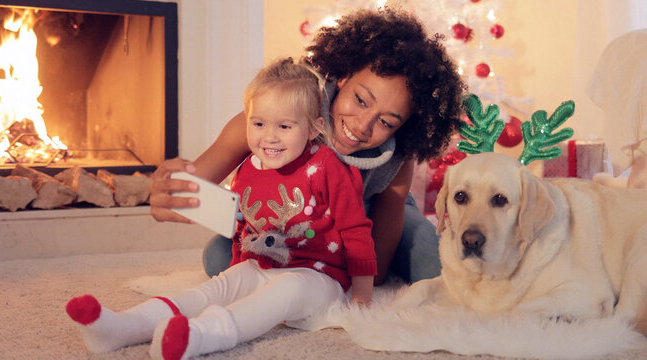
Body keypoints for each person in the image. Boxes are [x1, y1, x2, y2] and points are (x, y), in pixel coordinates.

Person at [65, 58, 377, 358]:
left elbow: (355, 231)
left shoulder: (328, 166)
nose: (269, 136)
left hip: (318, 278)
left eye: (284, 126)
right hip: (265, 265)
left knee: (287, 290)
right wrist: (237, 271)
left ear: (312, 129)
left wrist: (361, 295)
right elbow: (244, 228)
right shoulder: (247, 169)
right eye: (258, 123)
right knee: (218, 287)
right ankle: (123, 327)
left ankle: (203, 335)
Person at [149, 8, 465, 285]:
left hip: (366, 214)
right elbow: (191, 186)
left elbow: (376, 271)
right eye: (360, 99)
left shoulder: (395, 159)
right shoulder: (283, 111)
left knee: (432, 263)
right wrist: (171, 191)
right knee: (219, 259)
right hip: (299, 216)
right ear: (343, 76)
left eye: (387, 122)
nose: (362, 125)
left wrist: (339, 259)